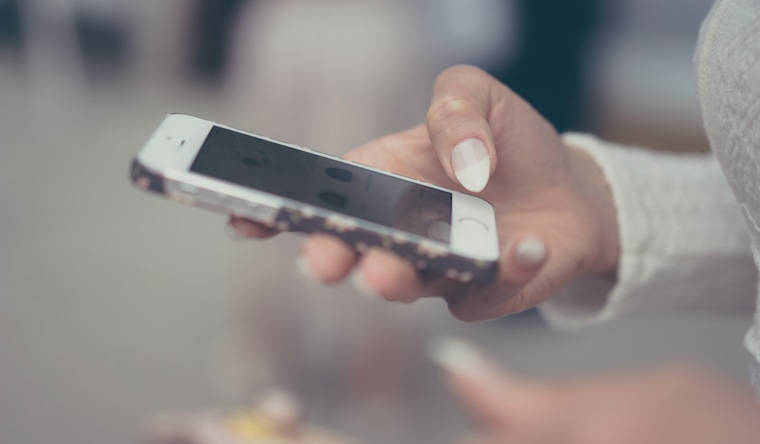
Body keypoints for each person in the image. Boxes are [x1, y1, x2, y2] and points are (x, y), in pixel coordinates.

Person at [226, 0, 760, 441]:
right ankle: (285, 340)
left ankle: (372, 368)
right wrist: (601, 202)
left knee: (352, 199)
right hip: (289, 23)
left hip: (378, 28)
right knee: (322, 190)